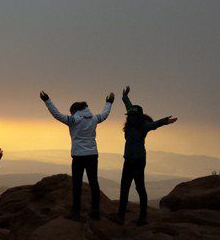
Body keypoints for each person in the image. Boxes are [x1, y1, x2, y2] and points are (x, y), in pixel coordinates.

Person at [40, 91, 114, 221]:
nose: (71, 114)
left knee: (77, 184)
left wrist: (47, 100)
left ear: (75, 110)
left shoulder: (73, 120)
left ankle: (76, 213)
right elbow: (105, 114)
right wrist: (109, 102)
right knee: (94, 183)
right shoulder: (94, 118)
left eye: (71, 111)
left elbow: (56, 115)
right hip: (92, 155)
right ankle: (95, 212)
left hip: (78, 156)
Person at [110, 86, 177, 226]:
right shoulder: (131, 122)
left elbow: (154, 125)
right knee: (125, 188)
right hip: (129, 159)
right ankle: (121, 217)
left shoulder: (143, 126)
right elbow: (130, 107)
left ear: (138, 117)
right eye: (130, 115)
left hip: (138, 161)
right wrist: (125, 96)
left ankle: (142, 218)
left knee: (139, 188)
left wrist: (165, 121)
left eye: (133, 116)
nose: (131, 117)